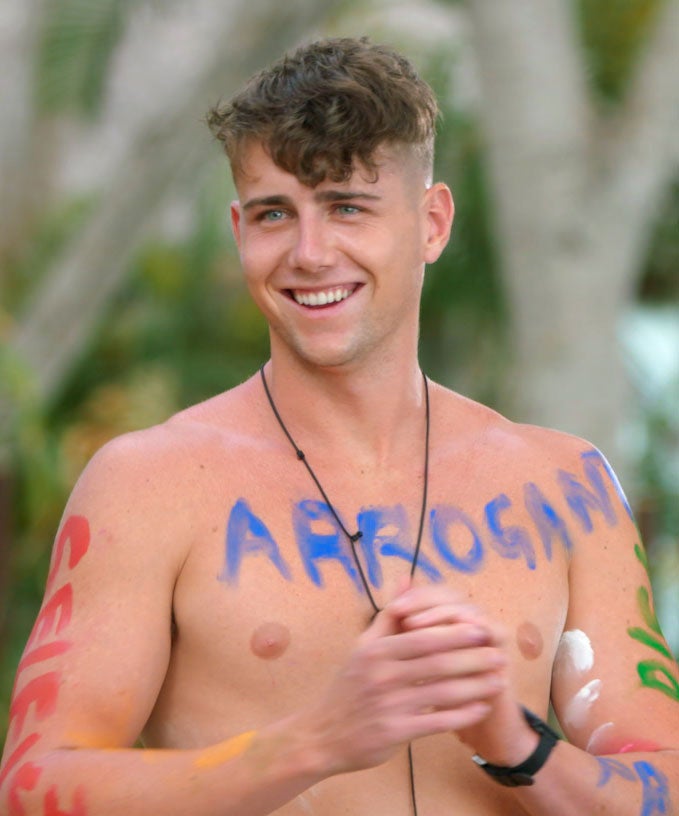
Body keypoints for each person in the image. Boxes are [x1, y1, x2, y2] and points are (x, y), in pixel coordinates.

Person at [1, 35, 677, 816]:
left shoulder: (564, 486)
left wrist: (518, 745)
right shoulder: (147, 485)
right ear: (238, 229)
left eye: (346, 207)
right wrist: (316, 742)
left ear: (431, 223)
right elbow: (35, 787)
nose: (310, 253)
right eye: (274, 214)